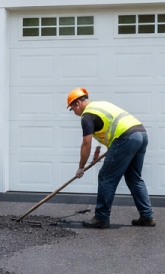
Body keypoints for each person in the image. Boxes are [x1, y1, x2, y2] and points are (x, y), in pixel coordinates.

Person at [66, 88, 155, 229]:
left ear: (77, 103)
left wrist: (81, 167)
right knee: (134, 177)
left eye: (72, 108)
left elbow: (86, 144)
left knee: (106, 177)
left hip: (126, 137)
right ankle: (147, 216)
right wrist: (97, 153)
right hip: (140, 134)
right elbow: (104, 128)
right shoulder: (100, 105)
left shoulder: (86, 115)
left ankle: (101, 218)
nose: (74, 112)